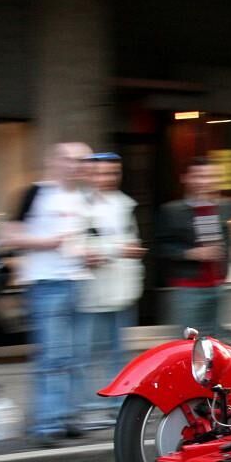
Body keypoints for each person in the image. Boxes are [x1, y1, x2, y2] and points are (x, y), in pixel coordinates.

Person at [1, 142, 95, 446]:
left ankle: (69, 417)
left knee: (77, 356)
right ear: (53, 161)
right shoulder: (34, 193)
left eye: (81, 160)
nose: (75, 165)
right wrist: (46, 242)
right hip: (46, 284)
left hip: (78, 281)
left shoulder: (83, 199)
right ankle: (46, 423)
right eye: (68, 159)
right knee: (52, 357)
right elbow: (8, 236)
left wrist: (91, 255)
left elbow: (87, 239)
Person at [76, 152, 145, 425]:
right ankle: (90, 408)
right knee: (88, 352)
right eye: (102, 172)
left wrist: (128, 252)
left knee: (117, 353)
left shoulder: (125, 205)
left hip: (121, 290)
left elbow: (130, 241)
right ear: (90, 174)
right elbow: (82, 246)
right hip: (92, 293)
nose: (108, 178)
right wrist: (118, 250)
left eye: (113, 172)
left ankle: (116, 406)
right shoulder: (80, 205)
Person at [156, 157, 231, 339]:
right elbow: (161, 247)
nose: (205, 182)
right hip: (188, 289)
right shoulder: (172, 211)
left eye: (211, 177)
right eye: (199, 176)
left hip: (219, 285)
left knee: (216, 343)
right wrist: (190, 253)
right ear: (186, 178)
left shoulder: (226, 207)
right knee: (188, 342)